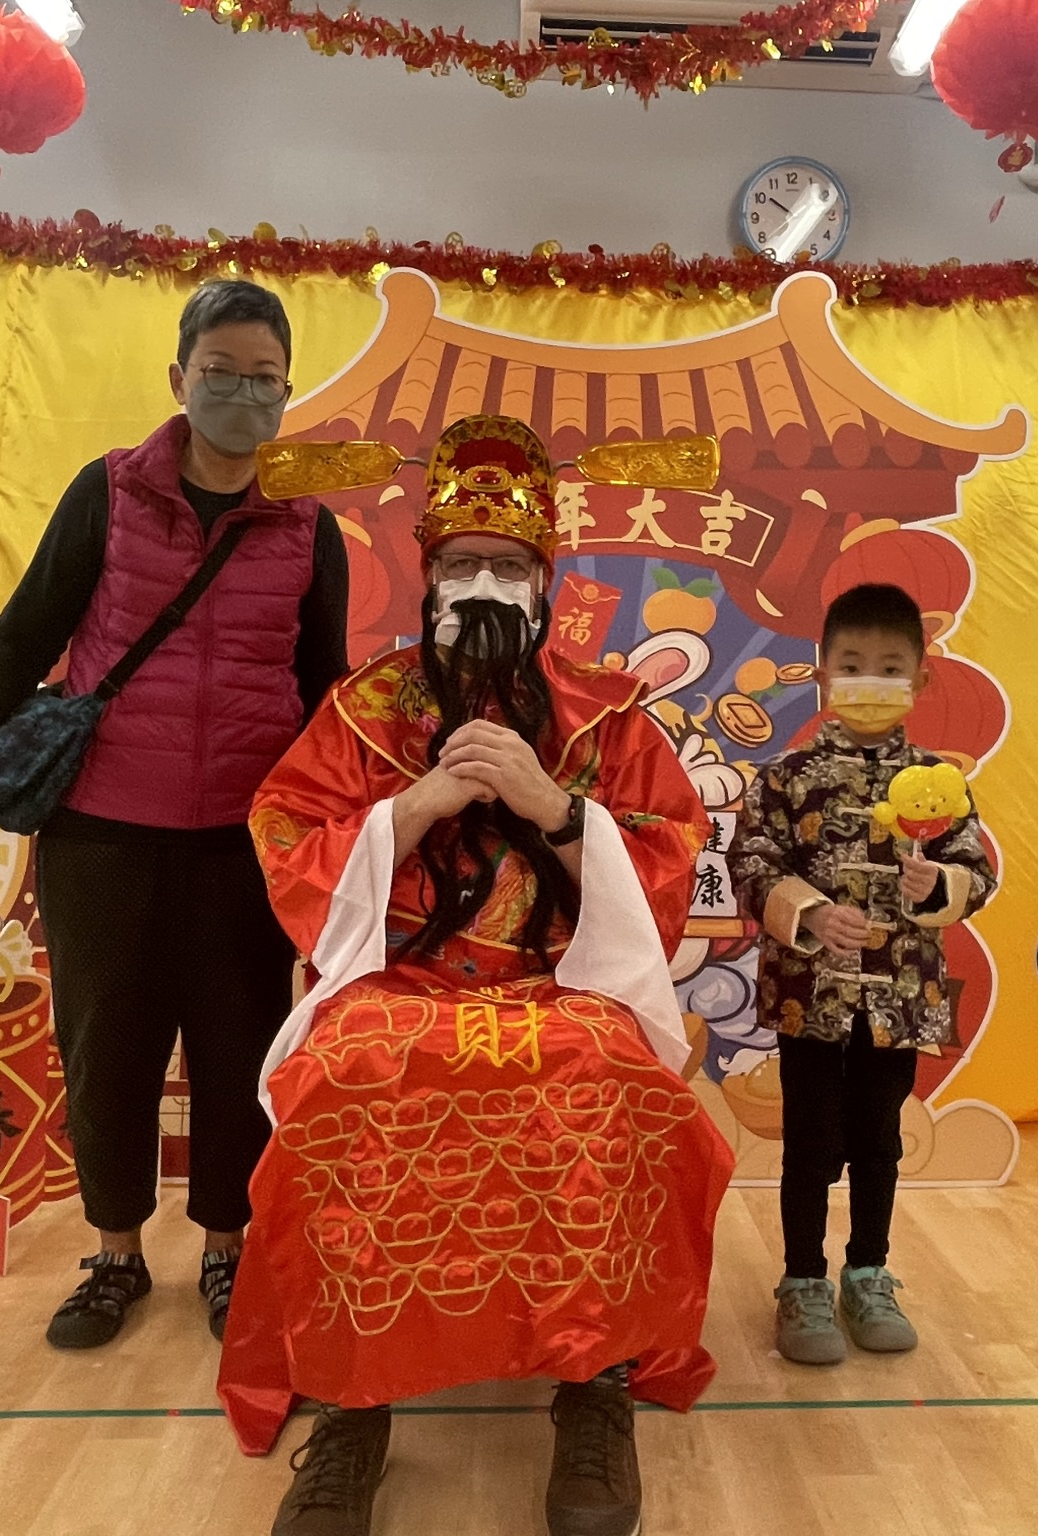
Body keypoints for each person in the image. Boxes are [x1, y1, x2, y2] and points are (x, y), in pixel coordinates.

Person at [218, 415, 734, 1536]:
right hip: (402, 984)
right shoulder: (365, 710)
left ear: (546, 582)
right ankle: (352, 1402)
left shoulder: (608, 713)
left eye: (507, 565)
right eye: (461, 564)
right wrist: (411, 810)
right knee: (347, 1076)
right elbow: (283, 830)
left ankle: (592, 1384)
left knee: (605, 1078)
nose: (484, 586)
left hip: (564, 985)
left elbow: (673, 850)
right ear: (428, 578)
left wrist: (558, 810)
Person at [0, 280, 349, 1349]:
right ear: (178, 378)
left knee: (237, 1053)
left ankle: (226, 1251)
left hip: (244, 844)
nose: (242, 396)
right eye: (220, 374)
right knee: (106, 1048)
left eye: (263, 380)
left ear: (287, 392)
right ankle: (114, 1254)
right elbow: (27, 629)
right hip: (102, 831)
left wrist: (345, 821)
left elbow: (323, 686)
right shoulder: (109, 493)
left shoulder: (310, 527)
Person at [729, 583, 995, 1366]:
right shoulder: (785, 777)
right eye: (850, 666)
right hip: (809, 995)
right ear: (822, 673)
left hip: (903, 994)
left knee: (881, 1141)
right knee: (809, 1142)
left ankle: (869, 1273)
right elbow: (751, 863)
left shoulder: (940, 784)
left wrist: (939, 884)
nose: (868, 682)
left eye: (888, 667)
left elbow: (977, 872)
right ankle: (803, 1281)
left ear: (920, 679)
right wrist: (809, 913)